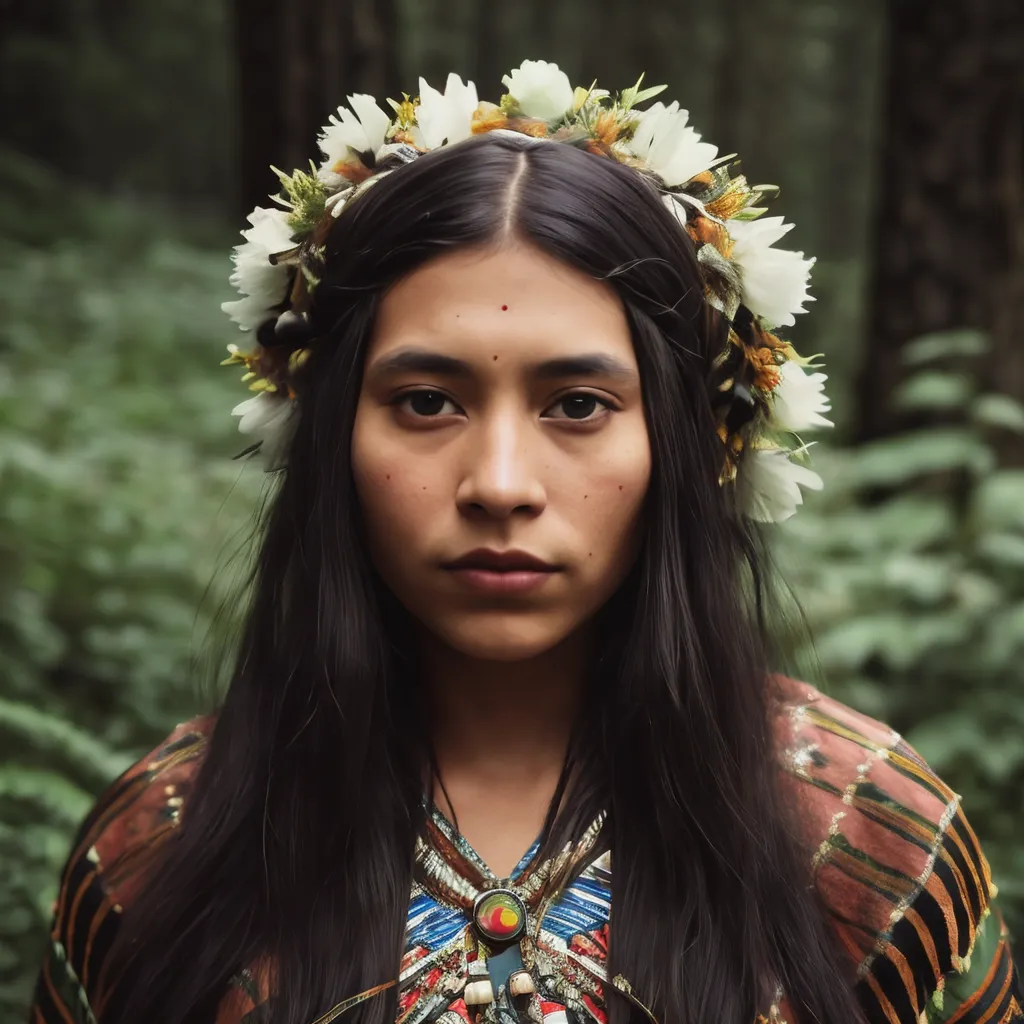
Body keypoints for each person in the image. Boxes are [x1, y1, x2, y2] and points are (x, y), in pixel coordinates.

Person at [28, 60, 1022, 1024]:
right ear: (332, 433)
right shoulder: (163, 843)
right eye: (425, 401)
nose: (499, 483)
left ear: (679, 441)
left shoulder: (870, 841)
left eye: (578, 404)